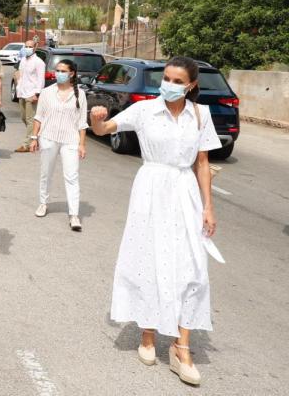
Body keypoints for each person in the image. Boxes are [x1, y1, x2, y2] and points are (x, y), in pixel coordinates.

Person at [90, 56, 222, 387]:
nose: (170, 85)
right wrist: (96, 119)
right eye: (167, 78)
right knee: (149, 258)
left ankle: (182, 347)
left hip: (185, 192)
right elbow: (104, 130)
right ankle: (147, 334)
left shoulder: (200, 115)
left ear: (191, 85)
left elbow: (203, 163)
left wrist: (208, 206)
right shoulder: (145, 110)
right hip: (150, 190)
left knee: (192, 266)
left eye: (178, 81)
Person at [30, 59, 87, 231]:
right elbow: (39, 116)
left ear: (72, 74)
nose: (59, 74)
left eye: (63, 71)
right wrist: (34, 137)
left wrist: (82, 144)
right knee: (46, 173)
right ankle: (43, 203)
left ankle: (74, 214)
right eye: (57, 70)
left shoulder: (80, 94)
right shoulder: (47, 92)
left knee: (72, 176)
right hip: (48, 137)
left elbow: (82, 122)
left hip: (70, 140)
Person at [14, 40, 44, 152]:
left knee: (30, 119)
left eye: (30, 47)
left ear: (35, 47)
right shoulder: (23, 61)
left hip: (32, 94)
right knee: (23, 117)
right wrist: (18, 89)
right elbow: (20, 76)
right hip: (22, 92)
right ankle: (37, 136)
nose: (28, 48)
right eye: (26, 46)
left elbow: (41, 80)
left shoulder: (39, 62)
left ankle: (27, 144)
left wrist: (37, 94)